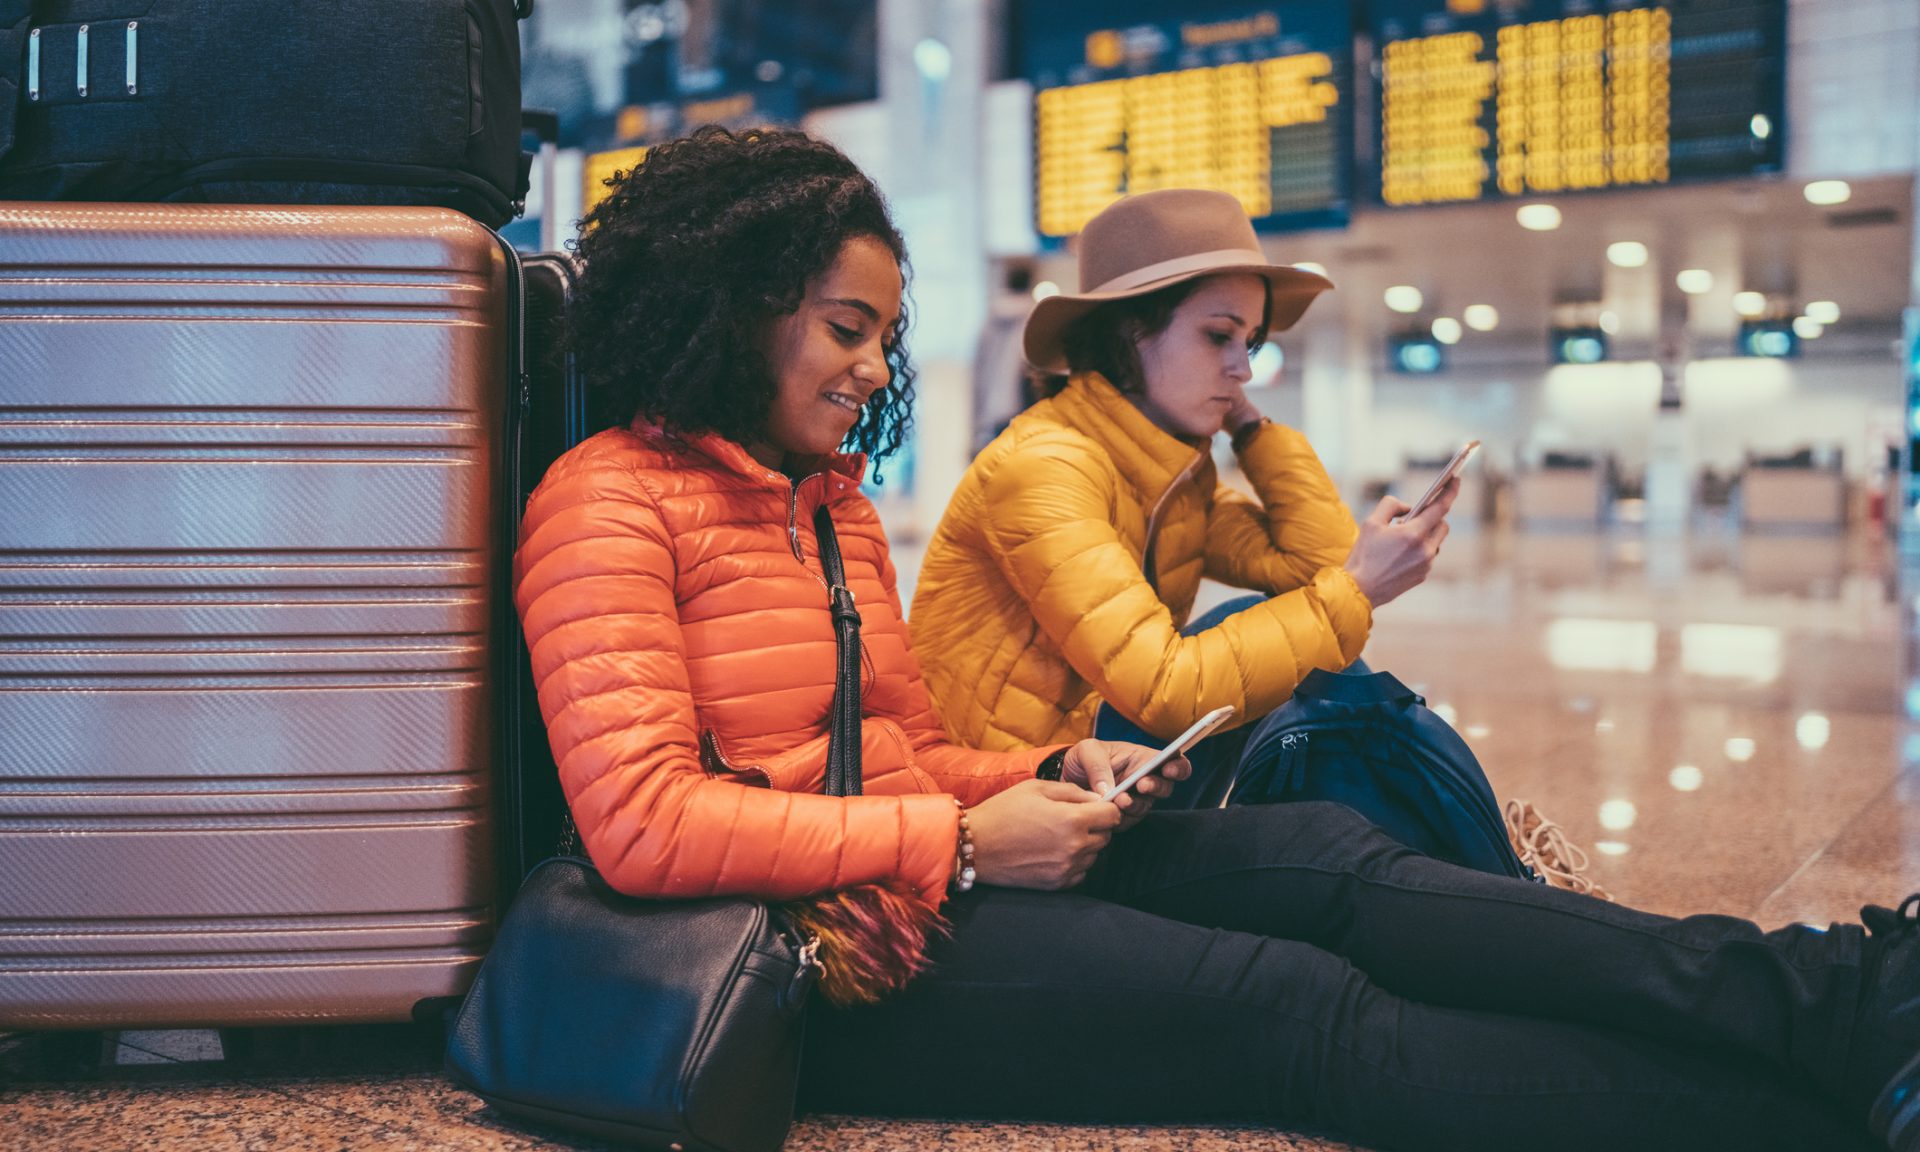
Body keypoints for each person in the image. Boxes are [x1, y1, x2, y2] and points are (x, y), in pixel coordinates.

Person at [517, 125, 1920, 1152]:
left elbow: (902, 751)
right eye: (846, 327)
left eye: (885, 333)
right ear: (732, 304)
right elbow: (641, 825)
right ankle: (1804, 1112)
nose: (875, 367)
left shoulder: (833, 513)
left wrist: (1041, 774)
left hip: (929, 869)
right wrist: (952, 842)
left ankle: (1842, 998)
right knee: (1294, 1008)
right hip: (818, 961)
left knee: (1328, 858)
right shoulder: (606, 504)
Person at [910, 188, 1452, 809]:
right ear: (1128, 331)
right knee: (1293, 673)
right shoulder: (1045, 467)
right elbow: (1170, 688)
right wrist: (1360, 590)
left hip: (1100, 761)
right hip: (1013, 797)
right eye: (1218, 336)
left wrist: (1252, 429)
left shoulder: (1170, 477)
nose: (1242, 368)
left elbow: (1316, 568)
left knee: (1309, 668)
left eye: (1249, 342)